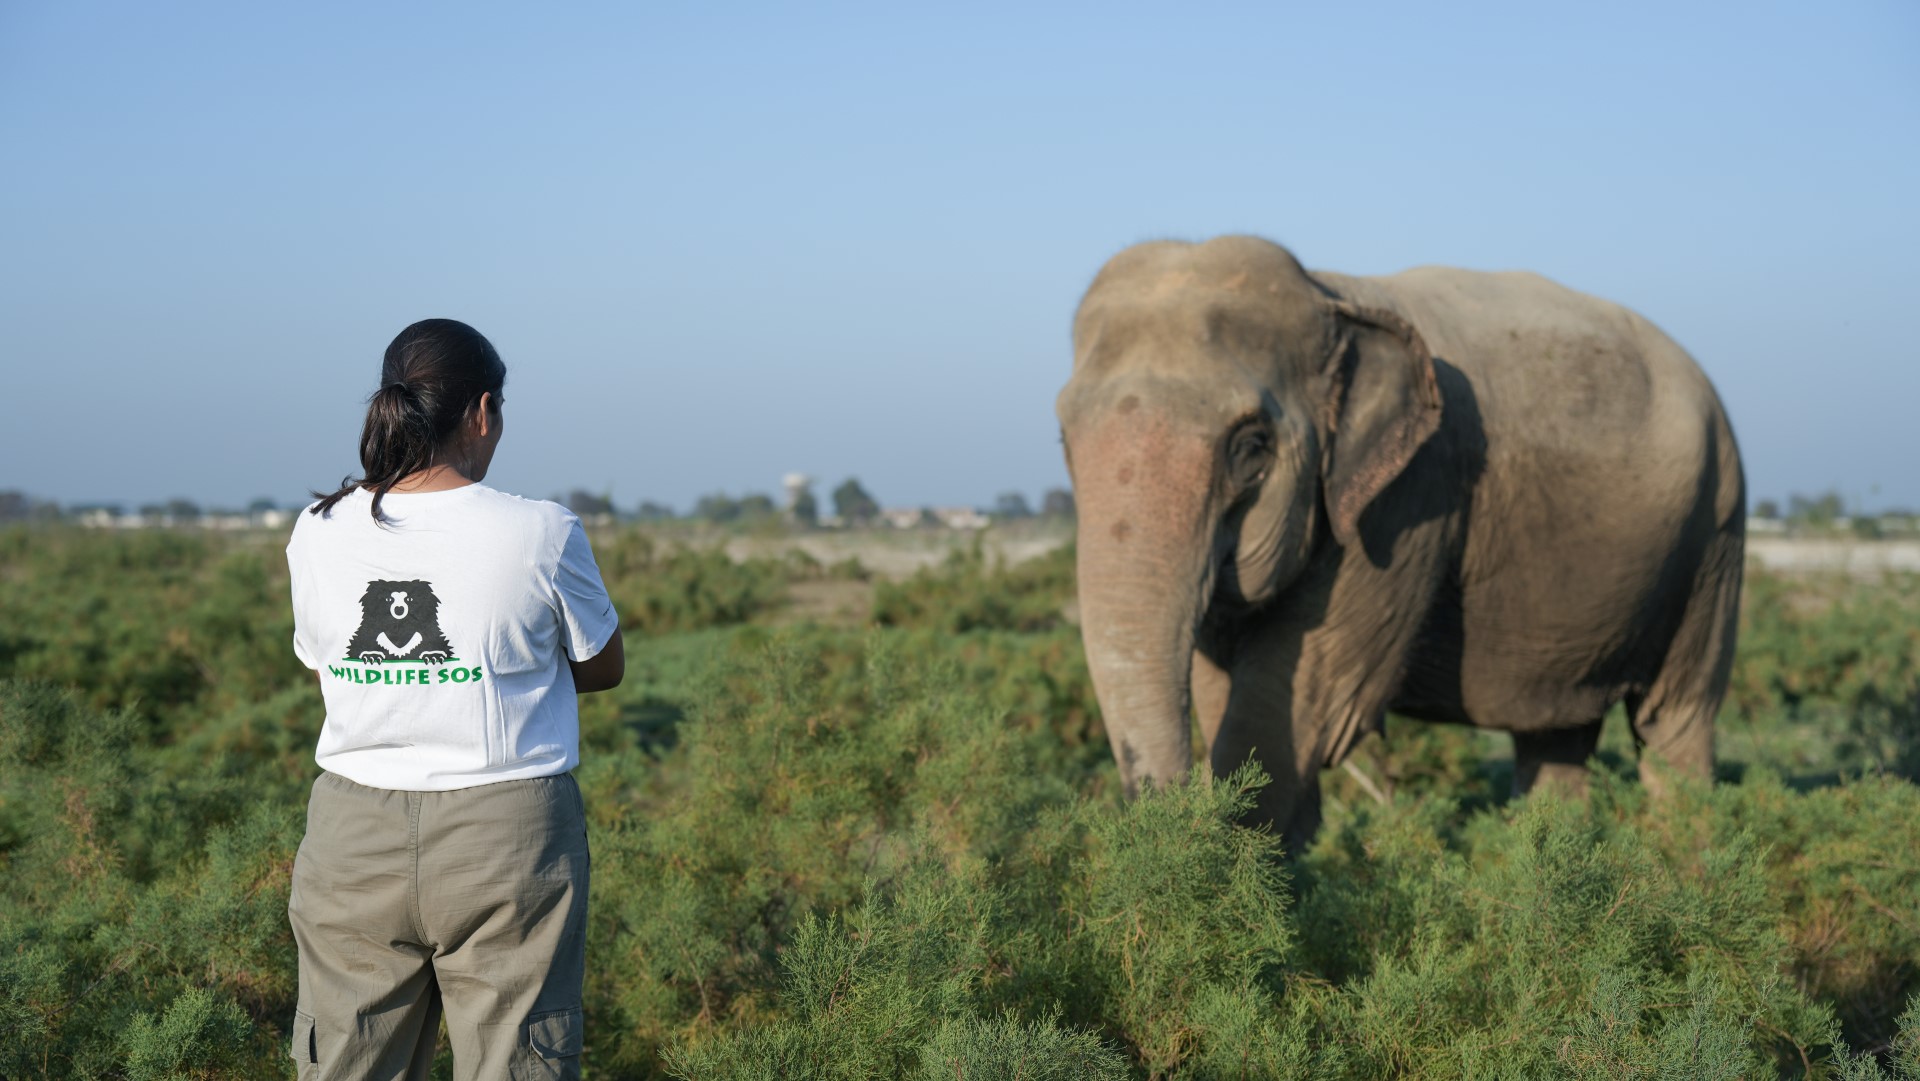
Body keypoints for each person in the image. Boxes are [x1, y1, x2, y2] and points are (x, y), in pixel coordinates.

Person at [284, 318, 623, 1080]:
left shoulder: (317, 529)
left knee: (346, 1060)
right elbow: (603, 666)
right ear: (480, 412)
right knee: (517, 1058)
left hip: (352, 831)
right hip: (507, 835)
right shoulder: (541, 530)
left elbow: (327, 664)